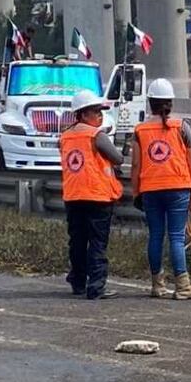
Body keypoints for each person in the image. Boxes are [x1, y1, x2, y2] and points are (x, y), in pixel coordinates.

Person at [131, 78, 191, 300]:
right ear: (170, 103)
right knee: (175, 236)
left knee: (155, 235)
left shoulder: (140, 131)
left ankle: (157, 285)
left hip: (150, 189)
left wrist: (136, 193)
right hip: (178, 187)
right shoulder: (181, 127)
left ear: (150, 103)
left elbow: (135, 165)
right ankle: (182, 286)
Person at [59, 90, 124, 300]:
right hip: (97, 197)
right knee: (97, 243)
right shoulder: (97, 135)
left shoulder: (65, 136)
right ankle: (96, 286)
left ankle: (78, 282)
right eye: (97, 112)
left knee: (77, 241)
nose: (100, 116)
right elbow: (118, 158)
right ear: (84, 113)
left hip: (73, 196)